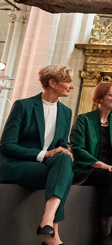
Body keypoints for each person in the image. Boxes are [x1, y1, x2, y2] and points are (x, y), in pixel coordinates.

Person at [0, 65, 75, 245]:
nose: (72, 86)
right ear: (52, 83)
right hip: (17, 164)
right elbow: (7, 145)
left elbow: (60, 145)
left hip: (45, 168)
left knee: (64, 160)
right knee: (64, 177)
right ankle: (52, 236)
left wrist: (64, 151)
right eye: (68, 81)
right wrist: (44, 154)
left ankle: (47, 220)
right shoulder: (23, 106)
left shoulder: (66, 112)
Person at [70, 82, 112, 245]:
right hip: (89, 168)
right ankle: (102, 233)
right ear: (99, 97)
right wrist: (102, 165)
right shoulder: (84, 119)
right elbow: (77, 148)